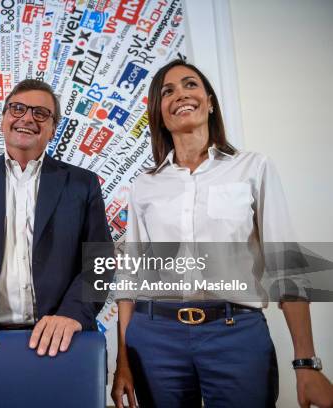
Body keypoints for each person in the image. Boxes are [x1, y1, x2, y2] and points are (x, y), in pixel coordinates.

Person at [111, 60, 333, 408]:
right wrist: (122, 361)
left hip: (236, 335)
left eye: (190, 85)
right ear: (159, 112)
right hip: (156, 339)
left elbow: (287, 267)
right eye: (167, 92)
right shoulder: (144, 184)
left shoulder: (253, 167)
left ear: (210, 100)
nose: (180, 95)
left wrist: (306, 363)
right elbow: (130, 276)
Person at [0, 79, 111, 359]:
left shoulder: (82, 184)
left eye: (41, 113)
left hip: (58, 341)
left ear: (53, 129)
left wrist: (73, 313)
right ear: (3, 120)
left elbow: (100, 260)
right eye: (17, 109)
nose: (27, 118)